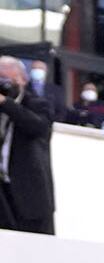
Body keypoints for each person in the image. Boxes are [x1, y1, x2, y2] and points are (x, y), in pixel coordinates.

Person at [0, 56, 57, 234]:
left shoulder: (38, 104)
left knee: (34, 247)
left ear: (23, 80)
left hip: (30, 196)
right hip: (3, 193)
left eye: (7, 79)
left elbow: (37, 127)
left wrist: (6, 103)